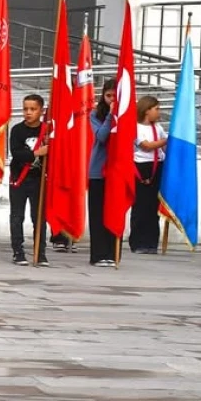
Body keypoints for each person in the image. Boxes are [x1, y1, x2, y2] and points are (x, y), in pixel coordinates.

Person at [8, 94, 49, 266]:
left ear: (41, 110)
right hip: (19, 178)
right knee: (17, 216)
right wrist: (36, 153)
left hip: (38, 179)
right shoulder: (17, 130)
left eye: (33, 109)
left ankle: (40, 252)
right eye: (25, 109)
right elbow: (16, 153)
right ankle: (18, 251)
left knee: (38, 217)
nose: (28, 112)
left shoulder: (46, 130)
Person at [130, 96, 168, 253]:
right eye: (156, 109)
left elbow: (163, 147)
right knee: (140, 206)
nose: (158, 112)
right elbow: (146, 146)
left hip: (157, 166)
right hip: (142, 167)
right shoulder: (136, 127)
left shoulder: (157, 128)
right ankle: (138, 241)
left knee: (153, 207)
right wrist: (167, 140)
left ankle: (151, 242)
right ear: (147, 110)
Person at [87, 79, 118, 267]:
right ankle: (98, 254)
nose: (111, 99)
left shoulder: (127, 114)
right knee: (98, 214)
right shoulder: (95, 114)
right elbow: (101, 136)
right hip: (99, 171)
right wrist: (111, 115)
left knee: (114, 212)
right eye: (108, 96)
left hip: (117, 171)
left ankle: (112, 252)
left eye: (115, 96)